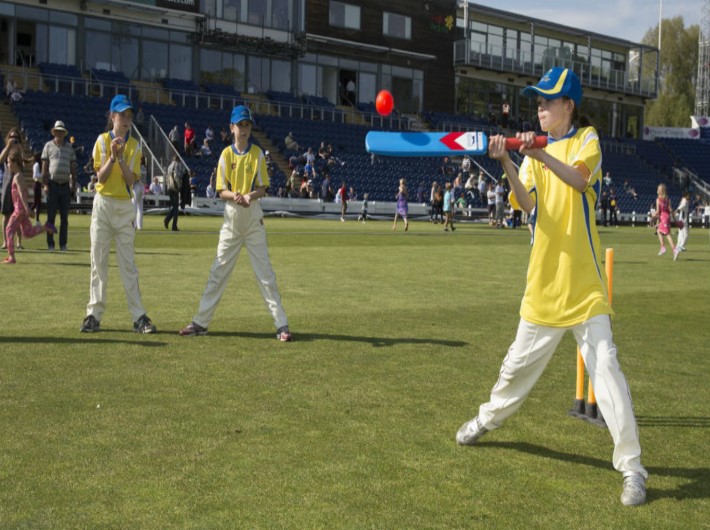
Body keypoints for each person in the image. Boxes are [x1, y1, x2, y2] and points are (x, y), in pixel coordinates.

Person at [455, 67, 647, 507]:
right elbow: (526, 205)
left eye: (547, 101)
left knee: (608, 374)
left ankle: (633, 469)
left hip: (583, 290)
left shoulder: (588, 141)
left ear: (569, 106)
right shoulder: (532, 156)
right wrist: (507, 159)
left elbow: (579, 179)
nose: (539, 108)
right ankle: (486, 420)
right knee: (513, 373)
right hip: (543, 287)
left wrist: (538, 155)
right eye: (537, 101)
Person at [179, 105, 292, 342]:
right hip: (232, 218)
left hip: (252, 218)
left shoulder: (258, 154)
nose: (244, 129)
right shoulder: (226, 155)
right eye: (240, 125)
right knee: (218, 271)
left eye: (247, 125)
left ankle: (281, 324)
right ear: (231, 128)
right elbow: (221, 190)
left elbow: (262, 187)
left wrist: (250, 196)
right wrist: (236, 196)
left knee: (265, 274)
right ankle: (201, 322)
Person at [80, 94, 157, 334]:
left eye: (129, 116)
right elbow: (100, 177)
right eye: (122, 115)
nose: (126, 120)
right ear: (112, 116)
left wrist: (121, 157)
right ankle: (93, 315)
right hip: (102, 205)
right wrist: (112, 156)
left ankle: (138, 316)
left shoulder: (134, 146)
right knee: (98, 263)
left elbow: (131, 179)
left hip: (124, 207)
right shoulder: (102, 141)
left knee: (128, 266)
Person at [3, 149, 56, 264]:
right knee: (27, 233)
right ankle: (46, 227)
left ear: (15, 163)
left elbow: (22, 193)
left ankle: (11, 257)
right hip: (22, 209)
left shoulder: (18, 177)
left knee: (9, 230)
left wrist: (27, 209)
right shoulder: (18, 176)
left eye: (8, 162)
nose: (7, 164)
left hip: (19, 210)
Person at [42, 120, 77, 251]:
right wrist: (45, 184)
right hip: (53, 185)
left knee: (64, 218)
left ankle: (63, 244)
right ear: (54, 132)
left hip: (65, 186)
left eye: (62, 132)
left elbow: (73, 167)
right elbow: (45, 167)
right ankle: (50, 244)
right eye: (58, 131)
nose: (60, 133)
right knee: (51, 217)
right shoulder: (48, 146)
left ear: (64, 133)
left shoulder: (69, 148)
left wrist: (73, 185)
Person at [651, 183, 676, 258]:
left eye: (658, 189)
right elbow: (670, 209)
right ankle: (663, 247)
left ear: (660, 191)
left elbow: (658, 211)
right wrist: (673, 216)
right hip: (667, 217)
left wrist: (653, 215)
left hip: (663, 217)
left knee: (667, 234)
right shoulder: (667, 199)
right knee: (659, 231)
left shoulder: (658, 200)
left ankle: (673, 249)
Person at [164, 155, 183, 231]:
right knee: (176, 208)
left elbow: (166, 177)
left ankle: (167, 220)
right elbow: (178, 175)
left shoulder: (169, 166)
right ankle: (173, 225)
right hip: (175, 187)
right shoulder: (177, 165)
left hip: (169, 188)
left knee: (175, 207)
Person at [133, 156, 147, 230]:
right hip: (142, 187)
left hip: (136, 186)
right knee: (140, 208)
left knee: (134, 206)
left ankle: (134, 224)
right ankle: (140, 226)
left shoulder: (137, 167)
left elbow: (136, 177)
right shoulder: (144, 168)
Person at [674, 191, 690, 255]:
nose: (689, 197)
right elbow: (679, 208)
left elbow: (679, 208)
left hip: (681, 219)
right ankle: (681, 245)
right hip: (683, 220)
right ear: (685, 195)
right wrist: (675, 212)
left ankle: (678, 245)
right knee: (686, 234)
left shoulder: (684, 200)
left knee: (680, 234)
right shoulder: (685, 201)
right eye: (688, 195)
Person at [31, 153, 43, 222]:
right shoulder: (36, 165)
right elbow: (35, 175)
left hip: (39, 184)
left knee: (38, 203)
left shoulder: (39, 165)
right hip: (36, 184)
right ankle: (27, 213)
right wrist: (43, 175)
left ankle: (37, 219)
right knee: (36, 203)